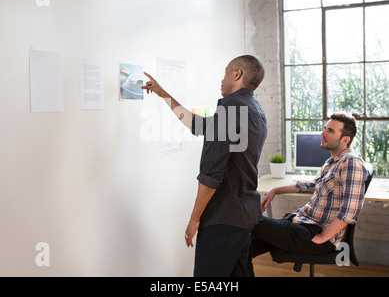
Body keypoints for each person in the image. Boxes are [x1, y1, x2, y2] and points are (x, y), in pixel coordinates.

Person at [142, 55, 267, 277]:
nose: (222, 78)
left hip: (224, 220)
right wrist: (163, 94)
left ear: (237, 74)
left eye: (226, 71)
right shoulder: (254, 108)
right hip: (245, 215)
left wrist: (194, 219)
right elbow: (197, 124)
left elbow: (211, 176)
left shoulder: (230, 110)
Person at [248, 111, 368, 276]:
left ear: (345, 139)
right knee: (243, 248)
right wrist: (276, 190)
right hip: (302, 225)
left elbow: (350, 210)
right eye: (325, 128)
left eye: (330, 131)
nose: (323, 133)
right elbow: (312, 185)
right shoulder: (332, 162)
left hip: (315, 234)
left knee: (251, 220)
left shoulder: (351, 163)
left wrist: (322, 238)